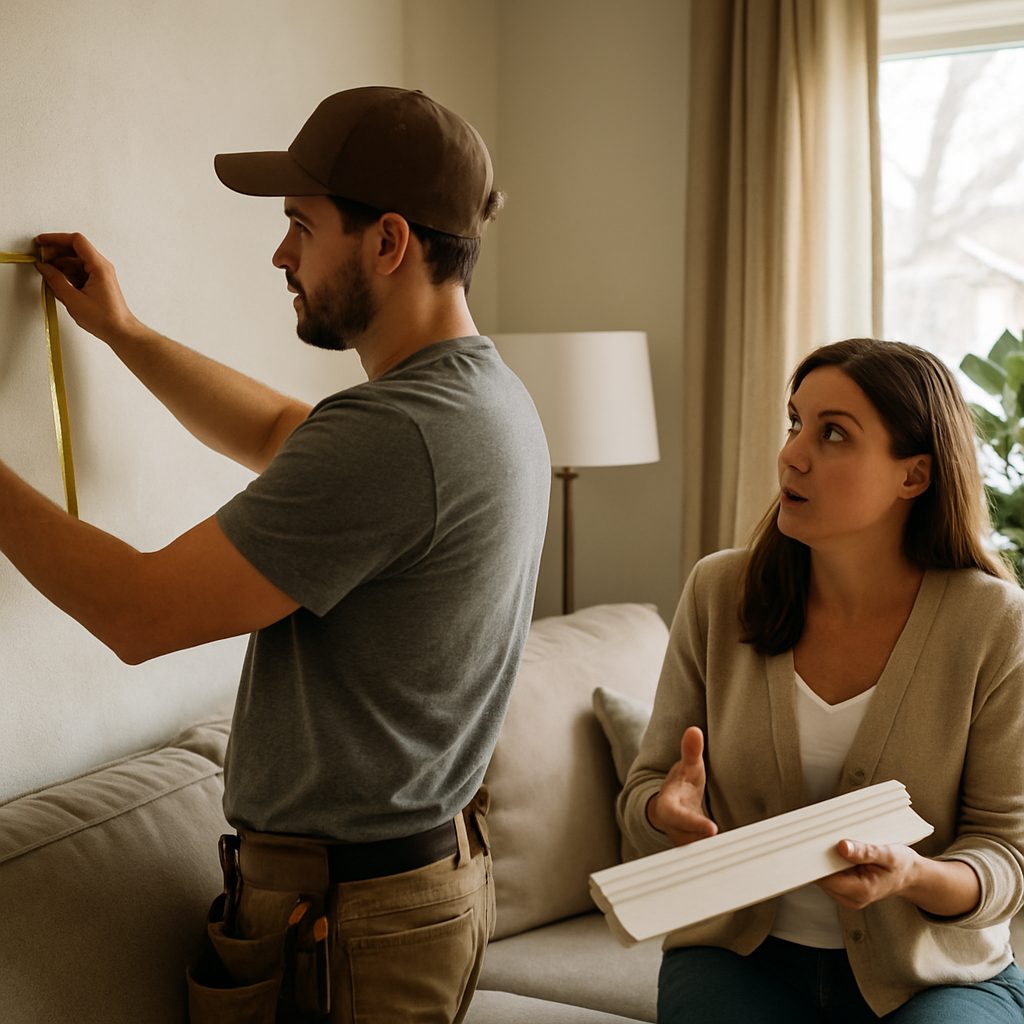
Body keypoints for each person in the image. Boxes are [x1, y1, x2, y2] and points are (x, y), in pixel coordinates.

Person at [3, 86, 550, 1022]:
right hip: (404, 893)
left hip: (354, 922)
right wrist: (123, 332)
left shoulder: (398, 436)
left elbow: (138, 614)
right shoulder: (482, 400)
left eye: (301, 224)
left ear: (388, 242)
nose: (280, 252)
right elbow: (279, 428)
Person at [619, 338, 1024, 1023]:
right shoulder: (720, 591)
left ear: (914, 477)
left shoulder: (992, 622)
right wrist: (666, 811)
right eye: (795, 422)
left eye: (833, 433)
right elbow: (644, 795)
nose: (792, 453)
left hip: (936, 978)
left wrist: (912, 875)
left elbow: (1005, 855)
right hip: (739, 959)